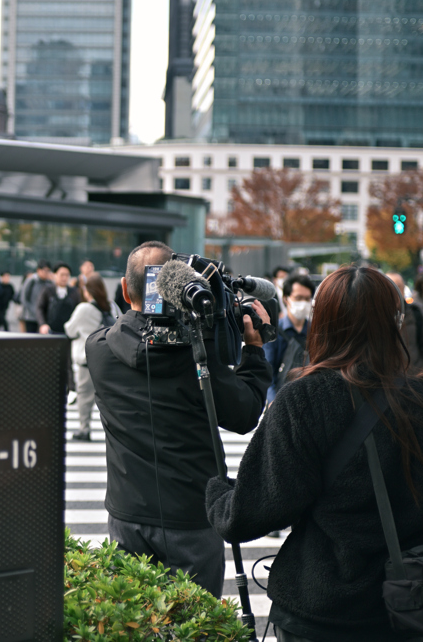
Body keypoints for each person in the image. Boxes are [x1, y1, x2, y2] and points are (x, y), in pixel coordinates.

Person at [205, 266, 423, 642]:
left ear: (324, 322)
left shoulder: (302, 399)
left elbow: (251, 513)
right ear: (394, 323)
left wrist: (217, 493)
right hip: (405, 605)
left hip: (318, 610)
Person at [85, 241, 270, 598]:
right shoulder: (198, 356)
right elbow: (245, 414)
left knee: (135, 625)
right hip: (192, 517)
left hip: (127, 514)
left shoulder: (98, 349)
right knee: (194, 626)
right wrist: (254, 352)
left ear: (125, 290)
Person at [65, 273, 114, 441]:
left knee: (85, 398)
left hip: (87, 360)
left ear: (88, 291)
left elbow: (69, 330)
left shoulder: (83, 309)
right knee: (108, 399)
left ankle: (84, 429)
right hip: (108, 359)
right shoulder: (111, 306)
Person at [264, 273, 316, 404]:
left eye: (307, 299)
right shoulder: (274, 331)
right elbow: (268, 372)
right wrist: (273, 403)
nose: (303, 303)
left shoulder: (315, 331)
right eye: (298, 298)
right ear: (286, 299)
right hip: (281, 400)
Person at [386, 272, 423, 373]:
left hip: (413, 378)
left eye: (398, 286)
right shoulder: (375, 316)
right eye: (389, 285)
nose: (394, 290)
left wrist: (421, 370)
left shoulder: (416, 313)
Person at [36, 262, 80, 335]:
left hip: (68, 332)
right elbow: (39, 308)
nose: (64, 278)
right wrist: (42, 324)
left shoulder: (74, 292)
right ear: (55, 275)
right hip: (49, 331)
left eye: (67, 275)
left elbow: (78, 310)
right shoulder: (47, 290)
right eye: (62, 275)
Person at [20, 260, 53, 333]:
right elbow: (24, 298)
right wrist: (34, 310)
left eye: (48, 271)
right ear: (38, 270)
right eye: (45, 271)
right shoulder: (31, 280)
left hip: (43, 318)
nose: (47, 273)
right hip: (30, 317)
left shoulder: (49, 283)